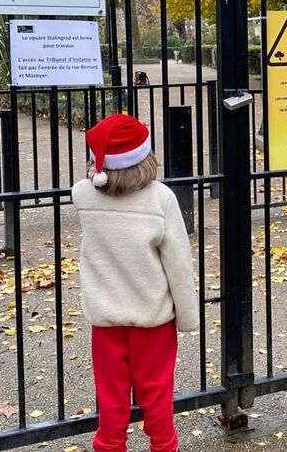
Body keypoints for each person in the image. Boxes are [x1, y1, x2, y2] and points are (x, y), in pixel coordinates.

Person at [74, 114, 198, 452]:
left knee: (111, 395)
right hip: (153, 317)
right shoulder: (161, 199)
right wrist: (187, 317)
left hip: (106, 317)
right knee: (156, 394)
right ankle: (163, 446)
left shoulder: (83, 195)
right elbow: (178, 265)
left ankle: (109, 445)